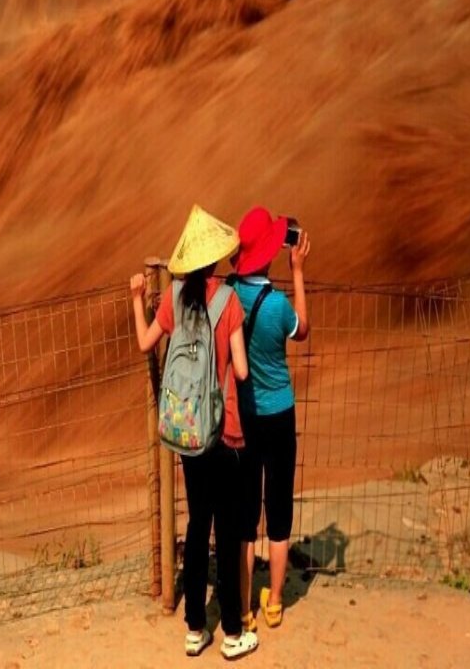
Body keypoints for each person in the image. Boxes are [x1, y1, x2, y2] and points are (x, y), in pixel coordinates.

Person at [130, 204, 259, 660]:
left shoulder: (173, 297)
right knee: (228, 530)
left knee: (198, 522)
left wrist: (136, 299)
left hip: (186, 429)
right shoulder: (229, 301)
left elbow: (146, 343)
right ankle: (233, 634)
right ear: (216, 258)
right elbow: (241, 371)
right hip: (223, 431)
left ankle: (194, 628)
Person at [228, 206, 310, 632]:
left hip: (245, 416)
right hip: (280, 414)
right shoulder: (278, 306)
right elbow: (303, 329)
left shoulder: (229, 295)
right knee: (278, 507)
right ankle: (275, 602)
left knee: (246, 514)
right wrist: (297, 271)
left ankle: (244, 608)